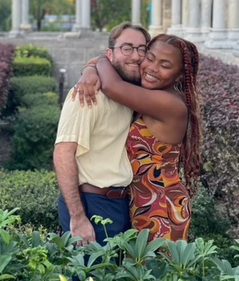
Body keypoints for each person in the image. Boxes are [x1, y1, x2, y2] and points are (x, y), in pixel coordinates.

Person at [74, 34, 201, 241]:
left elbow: (112, 86)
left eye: (165, 65)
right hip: (144, 202)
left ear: (179, 76)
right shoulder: (150, 94)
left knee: (155, 263)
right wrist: (90, 68)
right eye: (150, 58)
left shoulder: (169, 104)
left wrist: (100, 61)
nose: (152, 68)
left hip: (161, 207)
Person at [54, 22, 151, 246]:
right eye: (127, 48)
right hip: (92, 204)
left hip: (122, 203)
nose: (136, 56)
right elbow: (63, 154)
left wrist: (90, 66)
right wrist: (78, 218)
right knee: (91, 269)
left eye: (142, 49)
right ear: (110, 54)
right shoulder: (88, 94)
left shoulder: (129, 93)